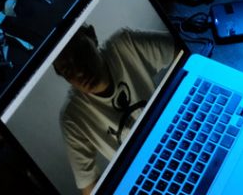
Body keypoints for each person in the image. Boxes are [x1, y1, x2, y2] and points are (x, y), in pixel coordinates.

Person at [53, 25, 176, 194]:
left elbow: (182, 51)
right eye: (68, 70)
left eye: (80, 53)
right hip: (146, 177)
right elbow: (88, 185)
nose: (79, 71)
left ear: (92, 36)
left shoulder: (125, 45)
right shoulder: (72, 117)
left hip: (174, 136)